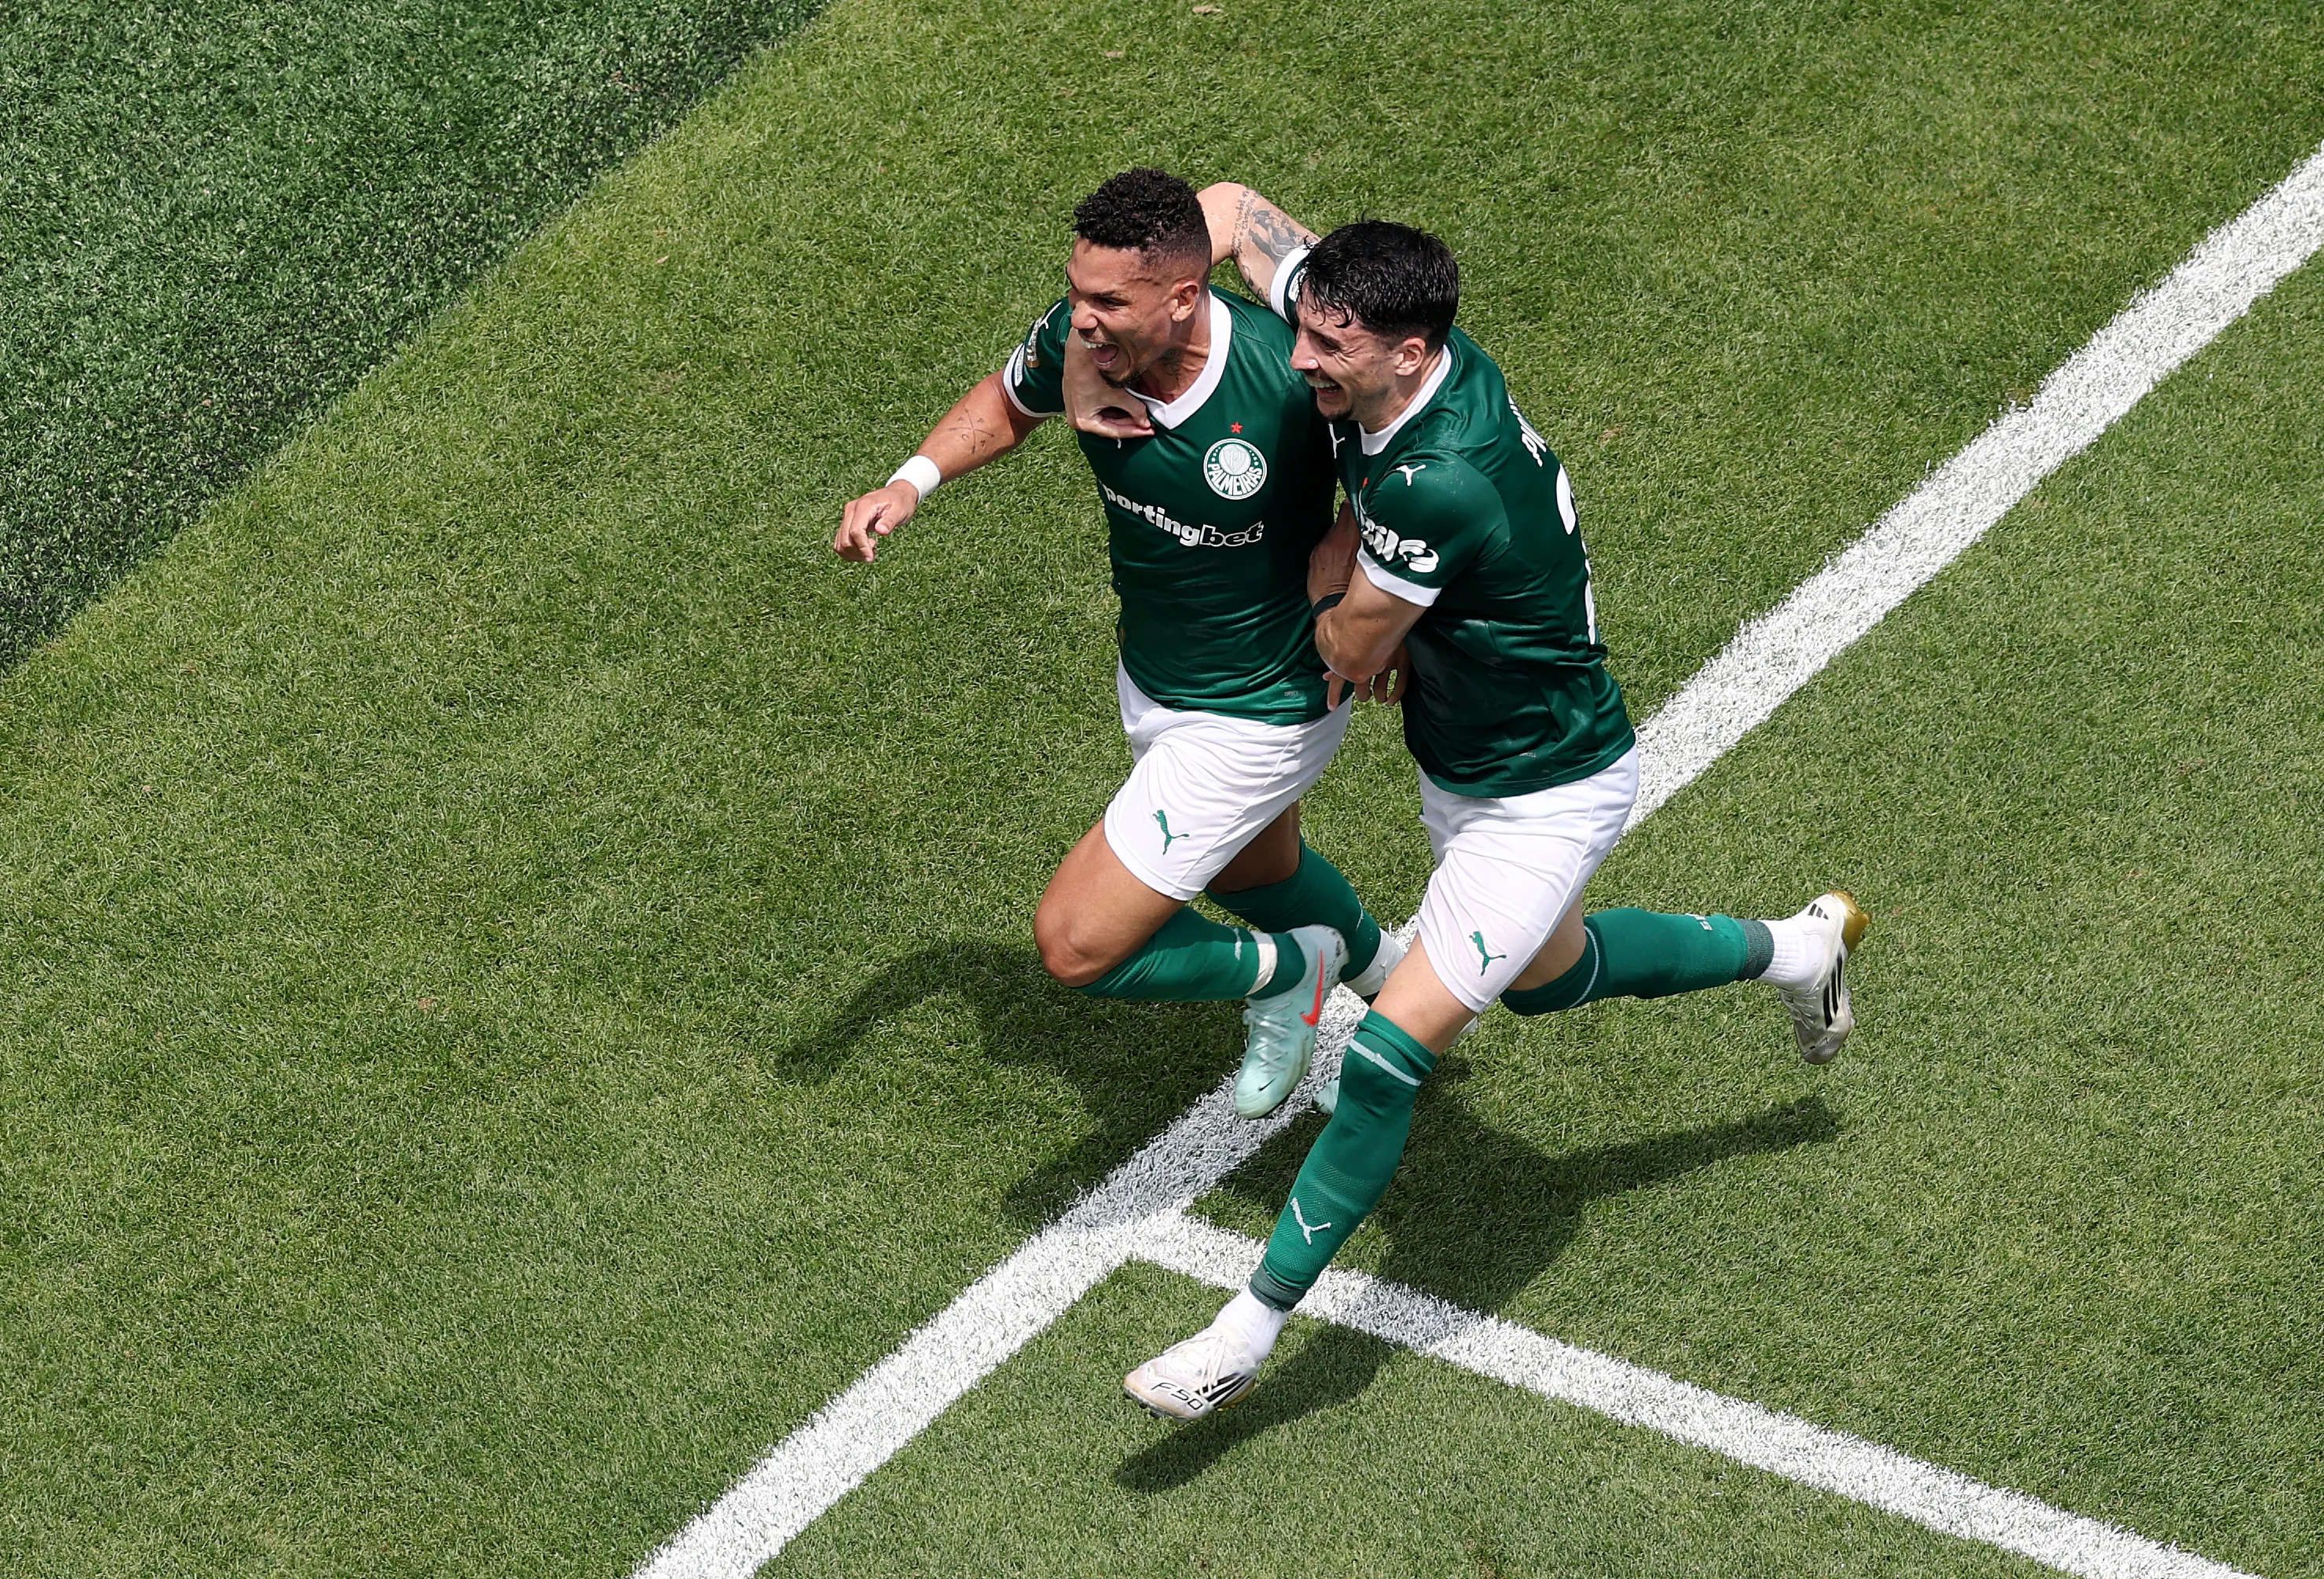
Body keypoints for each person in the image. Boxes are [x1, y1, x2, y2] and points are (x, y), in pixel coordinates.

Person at [1123, 198, 1868, 1422]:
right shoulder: (1377, 333)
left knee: (1382, 1059)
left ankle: (1239, 1337)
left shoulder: (1440, 478)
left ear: (1409, 354)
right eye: (1301, 330)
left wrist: (1309, 564)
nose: (1299, 358)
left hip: (1545, 793)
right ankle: (1802, 945)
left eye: (1327, 348)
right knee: (1545, 975)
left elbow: (1353, 648)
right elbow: (1216, 215)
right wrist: (1122, 347)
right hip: (1466, 770)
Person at [834, 169, 1402, 1121]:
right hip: (1157, 670)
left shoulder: (1286, 375)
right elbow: (1010, 402)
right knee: (1248, 869)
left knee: (1076, 942)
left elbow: (1395, 476)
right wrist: (911, 483)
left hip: (1263, 702)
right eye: (1074, 292)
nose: (1080, 319)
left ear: (1183, 299)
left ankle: (1287, 970)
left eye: (1107, 301)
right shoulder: (1082, 345)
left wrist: (1366, 611)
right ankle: (1389, 974)